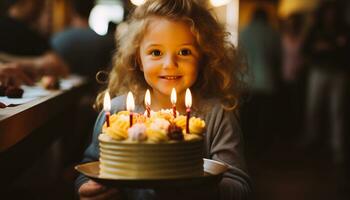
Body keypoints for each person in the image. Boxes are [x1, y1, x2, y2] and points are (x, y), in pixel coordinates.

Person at [75, 0, 251, 199]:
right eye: (156, 52)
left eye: (184, 52)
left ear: (203, 57)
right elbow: (90, 169)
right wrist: (85, 190)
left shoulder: (218, 115)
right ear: (138, 59)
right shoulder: (117, 112)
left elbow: (239, 186)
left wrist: (202, 190)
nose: (170, 64)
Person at [302, 1, 349, 164]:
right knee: (313, 107)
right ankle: (312, 141)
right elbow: (305, 49)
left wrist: (336, 47)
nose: (330, 15)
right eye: (328, 12)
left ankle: (337, 148)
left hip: (338, 73)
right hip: (319, 71)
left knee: (337, 110)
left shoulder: (343, 29)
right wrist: (318, 49)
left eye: (333, 12)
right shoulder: (315, 29)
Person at [239, 6, 282, 143]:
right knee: (265, 115)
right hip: (266, 79)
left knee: (248, 114)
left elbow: (238, 55)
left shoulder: (243, 32)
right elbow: (277, 55)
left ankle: (248, 142)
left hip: (246, 80)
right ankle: (262, 142)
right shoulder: (272, 33)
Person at [0, 0, 69, 79]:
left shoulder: (33, 33)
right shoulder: (30, 33)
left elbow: (60, 66)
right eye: (41, 3)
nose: (42, 7)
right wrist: (34, 64)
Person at [51, 0, 115, 78]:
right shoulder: (108, 42)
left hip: (68, 90)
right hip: (99, 89)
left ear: (72, 10)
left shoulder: (58, 40)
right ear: (92, 9)